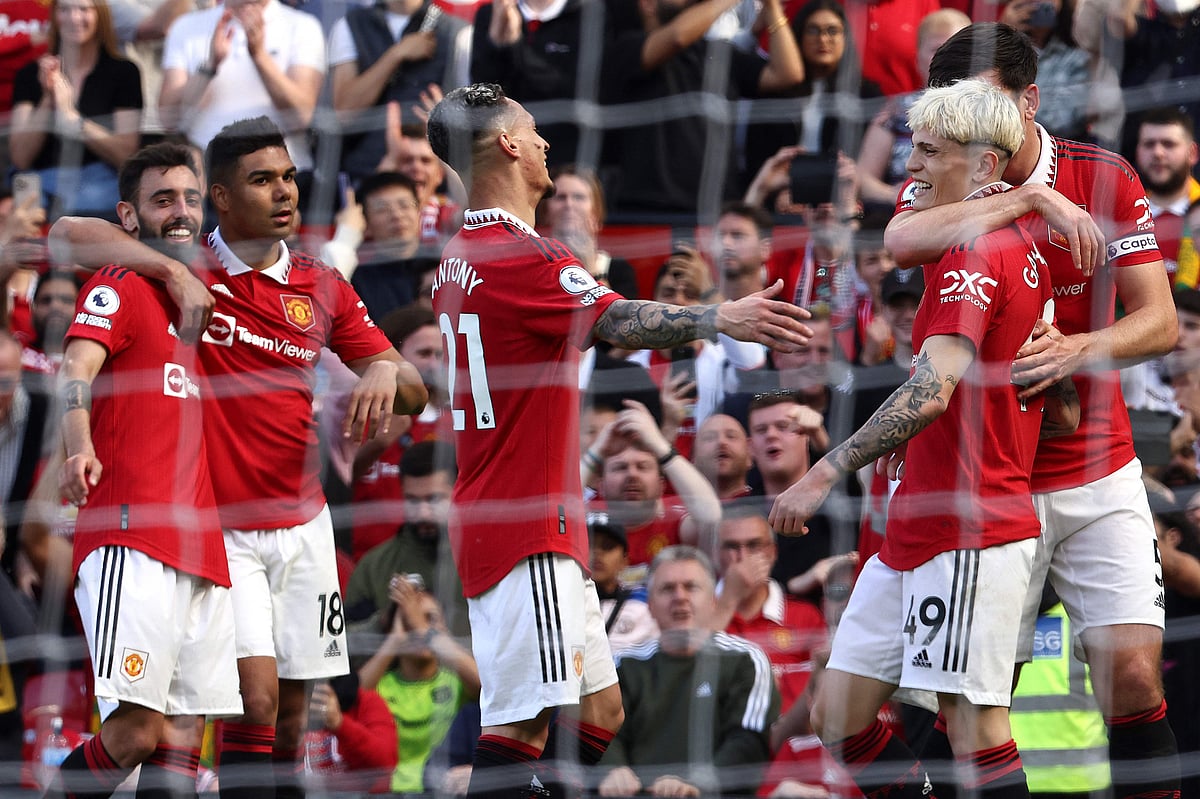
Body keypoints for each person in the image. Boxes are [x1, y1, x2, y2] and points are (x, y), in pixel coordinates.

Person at [425, 82, 811, 799]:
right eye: (533, 131)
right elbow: (619, 319)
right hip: (524, 523)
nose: (544, 144)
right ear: (507, 144)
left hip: (529, 516)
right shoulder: (522, 253)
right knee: (520, 727)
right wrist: (719, 316)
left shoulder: (457, 253)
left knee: (602, 710)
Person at [46, 115, 429, 799]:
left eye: (288, 177)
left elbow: (416, 388)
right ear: (222, 197)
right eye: (263, 180)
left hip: (306, 520)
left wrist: (383, 371)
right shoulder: (186, 266)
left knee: (288, 719)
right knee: (243, 702)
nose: (285, 192)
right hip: (220, 525)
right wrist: (167, 265)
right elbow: (67, 234)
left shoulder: (323, 283)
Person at [885, 22, 1182, 799]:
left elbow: (1162, 322)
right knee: (970, 705)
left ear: (1030, 102)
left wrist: (1074, 351)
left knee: (1132, 674)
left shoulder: (1106, 175)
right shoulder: (940, 171)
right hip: (984, 479)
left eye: (981, 107)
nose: (962, 128)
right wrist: (1030, 198)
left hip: (1094, 466)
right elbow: (901, 241)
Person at [770, 78, 1074, 799]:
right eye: (912, 146)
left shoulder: (978, 250)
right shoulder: (975, 234)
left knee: (975, 728)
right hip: (917, 520)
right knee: (836, 714)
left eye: (929, 152)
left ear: (984, 169)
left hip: (969, 521)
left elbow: (931, 389)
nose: (909, 165)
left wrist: (823, 470)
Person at [47, 141, 241, 799]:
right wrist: (79, 445)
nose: (180, 211)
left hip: (207, 552)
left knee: (183, 739)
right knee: (134, 730)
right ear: (130, 216)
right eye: (163, 199)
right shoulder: (122, 283)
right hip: (131, 536)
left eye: (190, 197)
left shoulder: (215, 298)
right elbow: (75, 371)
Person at [596, 545, 780, 797]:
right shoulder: (622, 665)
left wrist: (696, 785)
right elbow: (601, 733)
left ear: (713, 600)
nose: (680, 597)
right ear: (649, 604)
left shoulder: (745, 659)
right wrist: (612, 769)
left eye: (691, 587)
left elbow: (748, 742)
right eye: (667, 588)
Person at [9, 0, 142, 219]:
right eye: (65, 9)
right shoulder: (29, 75)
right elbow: (21, 158)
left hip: (100, 186)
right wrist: (48, 99)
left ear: (100, 15)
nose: (73, 18)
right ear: (54, 16)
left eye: (84, 9)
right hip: (39, 184)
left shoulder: (124, 73)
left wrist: (73, 118)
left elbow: (126, 153)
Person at [358, 578, 481, 794]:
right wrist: (394, 641)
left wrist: (427, 632)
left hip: (442, 790)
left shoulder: (457, 681)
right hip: (389, 793)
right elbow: (349, 701)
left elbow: (487, 687)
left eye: (430, 619)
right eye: (410, 621)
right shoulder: (381, 684)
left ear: (443, 627)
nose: (419, 628)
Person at [710, 506, 827, 714]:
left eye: (753, 545)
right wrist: (728, 600)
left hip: (790, 735)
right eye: (731, 546)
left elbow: (823, 688)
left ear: (772, 552)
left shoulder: (805, 616)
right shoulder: (698, 611)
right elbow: (689, 673)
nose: (742, 557)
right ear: (716, 554)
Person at [586, 511, 658, 658]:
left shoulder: (644, 604)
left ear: (625, 561)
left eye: (607, 546)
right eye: (589, 545)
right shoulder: (560, 603)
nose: (597, 553)